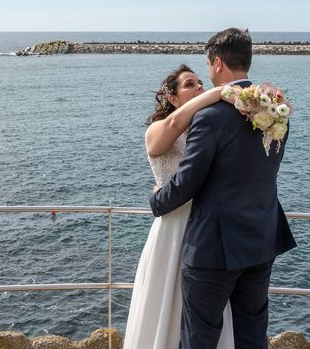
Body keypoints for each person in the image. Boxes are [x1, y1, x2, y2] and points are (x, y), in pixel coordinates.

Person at [150, 28, 296, 349]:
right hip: (261, 239)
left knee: (199, 339)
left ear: (217, 63)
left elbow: (188, 180)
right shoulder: (276, 109)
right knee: (251, 335)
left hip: (214, 248)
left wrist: (157, 201)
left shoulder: (211, 116)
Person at [123, 64, 235, 349]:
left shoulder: (205, 128)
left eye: (200, 83)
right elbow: (174, 126)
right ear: (172, 98)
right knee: (165, 300)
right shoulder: (157, 129)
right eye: (189, 84)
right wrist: (219, 92)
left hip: (206, 226)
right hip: (172, 226)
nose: (199, 87)